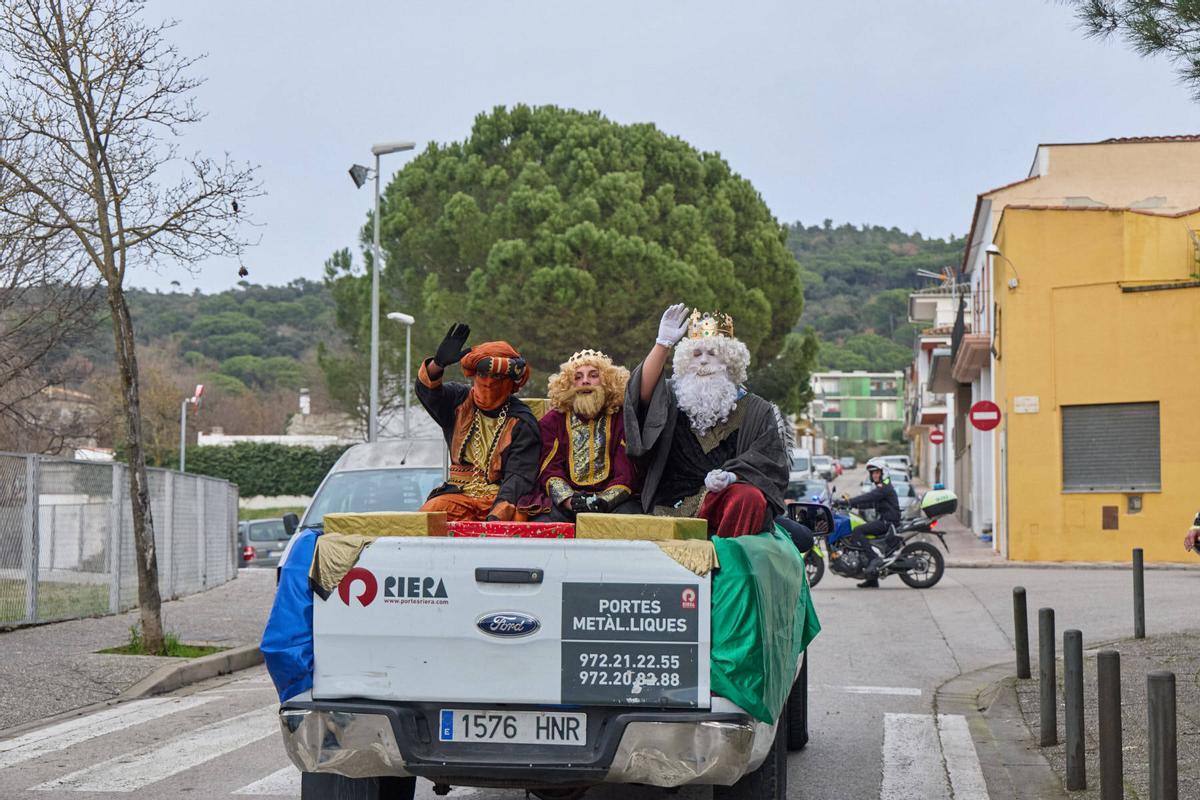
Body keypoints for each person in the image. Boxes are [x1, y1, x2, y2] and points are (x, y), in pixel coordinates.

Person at [624, 303, 789, 538]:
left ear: (729, 361)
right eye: (696, 354)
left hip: (727, 503)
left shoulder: (757, 409)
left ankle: (728, 562)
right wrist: (662, 345)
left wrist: (733, 476)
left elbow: (770, 461)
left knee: (748, 496)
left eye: (712, 354)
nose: (703, 361)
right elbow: (639, 396)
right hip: (670, 505)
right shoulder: (671, 396)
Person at [415, 323, 540, 521]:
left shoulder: (522, 420)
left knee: (515, 521)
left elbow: (519, 475)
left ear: (511, 383)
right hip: (458, 494)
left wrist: (498, 514)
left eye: (497, 377)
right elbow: (429, 393)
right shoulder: (458, 400)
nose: (489, 382)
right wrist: (438, 364)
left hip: (500, 497)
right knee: (430, 514)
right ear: (474, 375)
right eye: (482, 374)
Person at [523, 349, 641, 521]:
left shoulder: (621, 418)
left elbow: (627, 473)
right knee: (545, 520)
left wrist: (602, 501)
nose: (585, 381)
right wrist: (570, 501)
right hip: (566, 502)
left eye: (593, 375)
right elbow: (549, 468)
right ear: (569, 386)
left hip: (613, 503)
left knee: (628, 518)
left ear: (607, 381)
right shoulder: (553, 420)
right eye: (577, 377)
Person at [846, 457, 902, 588]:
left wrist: (849, 502)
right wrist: (853, 506)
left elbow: (869, 496)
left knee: (858, 530)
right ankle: (872, 580)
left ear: (883, 472)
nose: (874, 475)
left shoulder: (885, 487)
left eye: (877, 472)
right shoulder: (882, 487)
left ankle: (873, 558)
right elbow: (871, 502)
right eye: (872, 473)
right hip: (885, 521)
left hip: (887, 523)